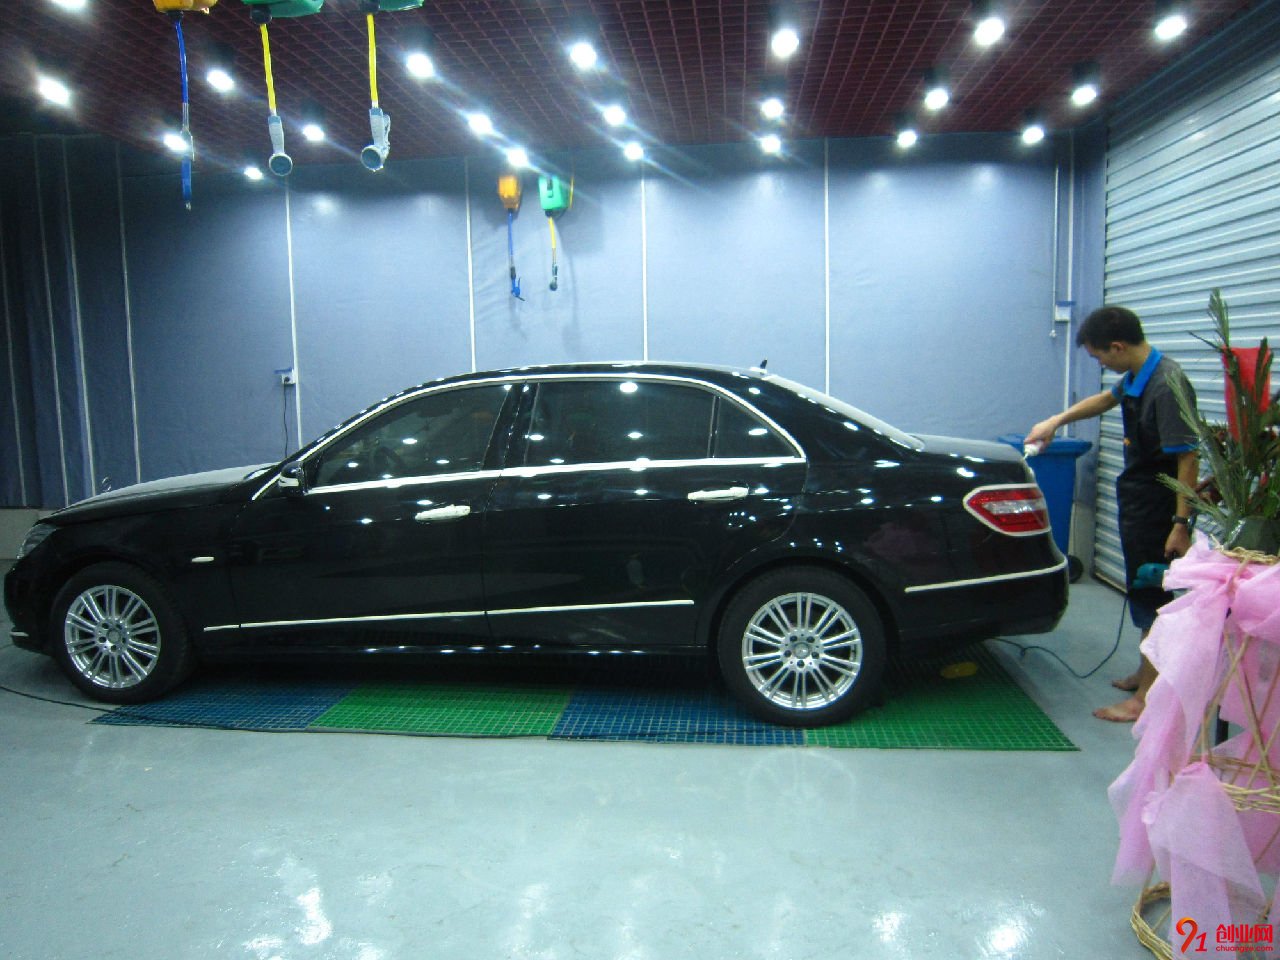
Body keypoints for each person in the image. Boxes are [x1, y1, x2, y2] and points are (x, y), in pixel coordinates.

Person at [1027, 305, 1199, 722]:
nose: (1101, 365)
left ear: (1118, 347)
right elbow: (1107, 398)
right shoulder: (1138, 376)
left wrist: (1180, 525)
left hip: (1159, 508)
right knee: (1141, 591)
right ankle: (1146, 672)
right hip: (1139, 500)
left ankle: (1146, 698)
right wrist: (1057, 420)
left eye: (1100, 356)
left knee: (1152, 595)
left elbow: (1188, 458)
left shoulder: (1166, 385)